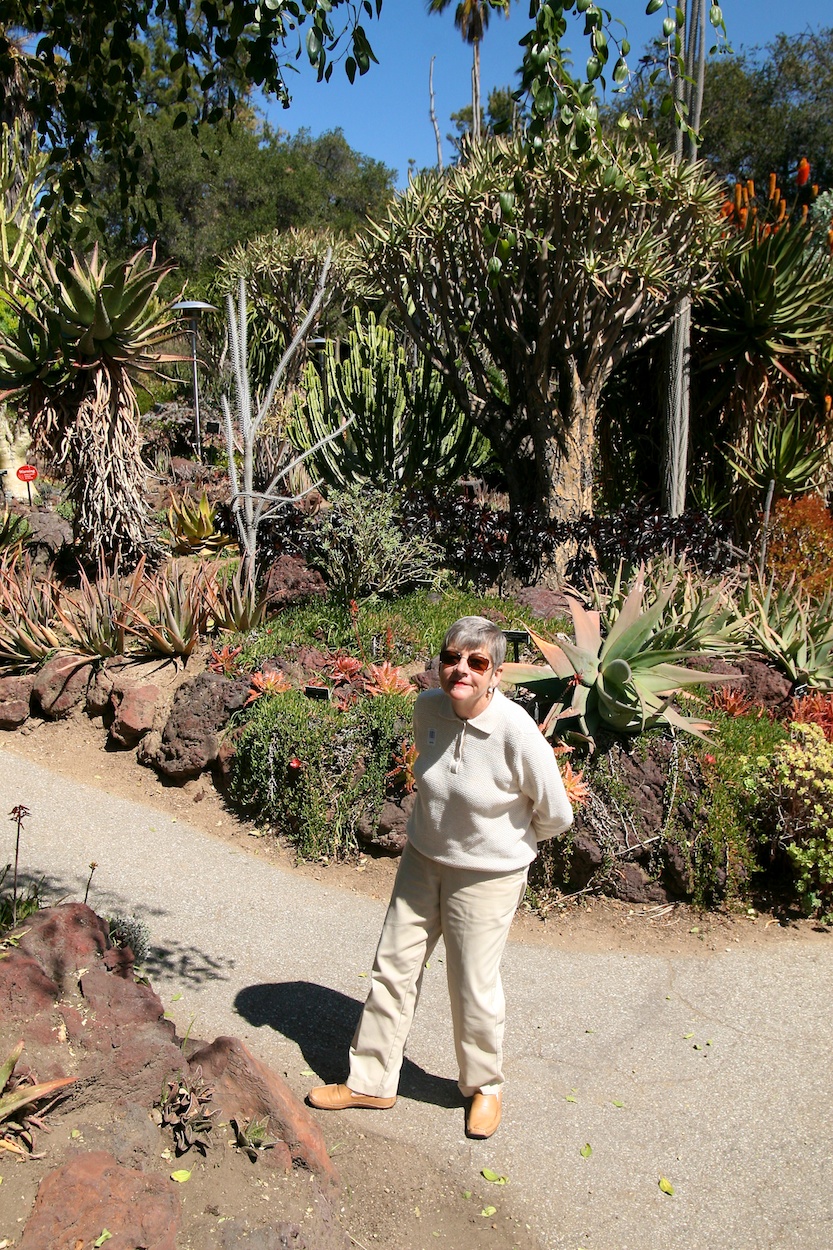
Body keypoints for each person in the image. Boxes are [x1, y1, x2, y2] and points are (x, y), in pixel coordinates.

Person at [308, 616, 573, 1138]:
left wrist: (509, 848)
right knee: (392, 968)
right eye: (452, 658)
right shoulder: (426, 709)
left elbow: (556, 813)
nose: (462, 671)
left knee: (472, 985)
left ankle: (483, 1088)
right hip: (423, 861)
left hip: (488, 877)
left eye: (477, 663)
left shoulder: (515, 729)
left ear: (495, 673)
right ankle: (371, 1081)